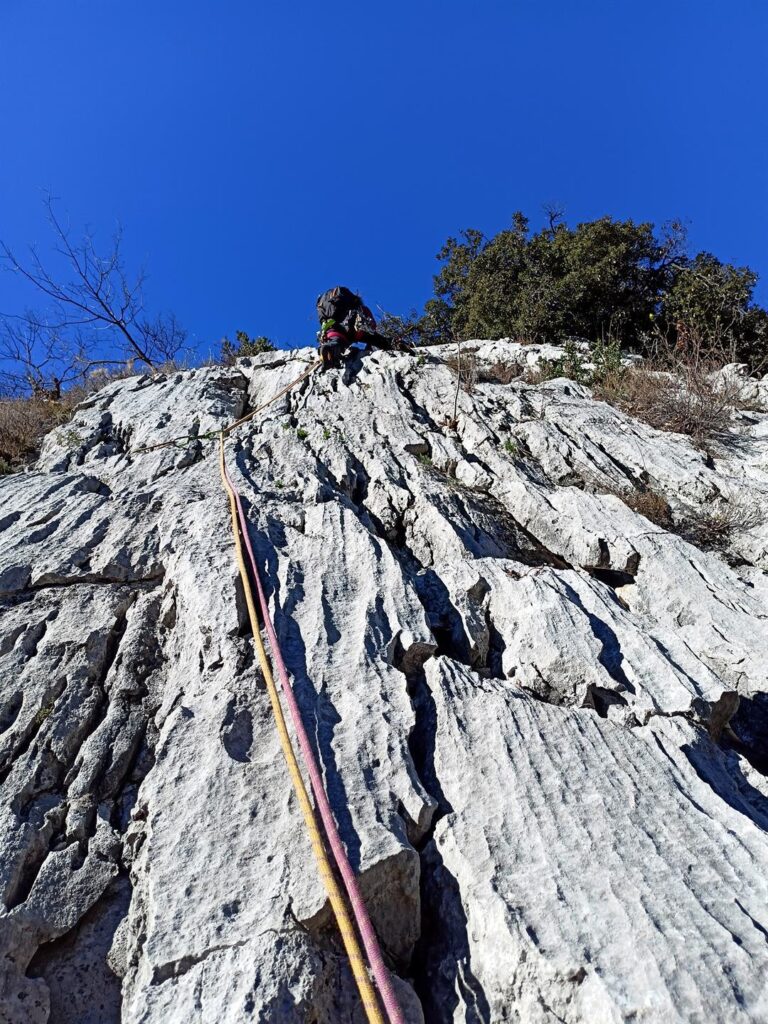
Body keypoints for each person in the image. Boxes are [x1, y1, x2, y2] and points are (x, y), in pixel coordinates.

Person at [316, 286, 410, 370]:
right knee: (374, 338)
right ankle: (395, 344)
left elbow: (324, 323)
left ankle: (330, 349)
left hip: (332, 328)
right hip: (354, 326)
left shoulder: (324, 307)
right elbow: (371, 327)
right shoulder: (354, 304)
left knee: (337, 340)